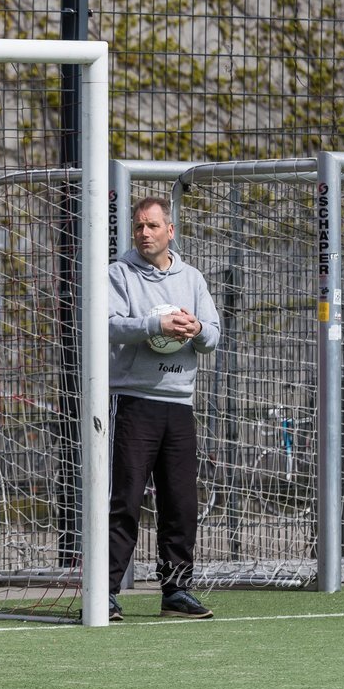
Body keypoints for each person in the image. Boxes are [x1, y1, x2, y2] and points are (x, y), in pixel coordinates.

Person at [106, 195, 220, 620]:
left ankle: (176, 590)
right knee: (125, 499)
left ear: (170, 231)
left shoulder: (191, 278)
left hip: (179, 404)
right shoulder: (118, 274)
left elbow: (213, 334)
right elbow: (108, 325)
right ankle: (107, 591)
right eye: (138, 226)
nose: (144, 233)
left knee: (181, 503)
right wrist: (156, 324)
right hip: (134, 401)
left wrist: (196, 328)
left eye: (152, 225)